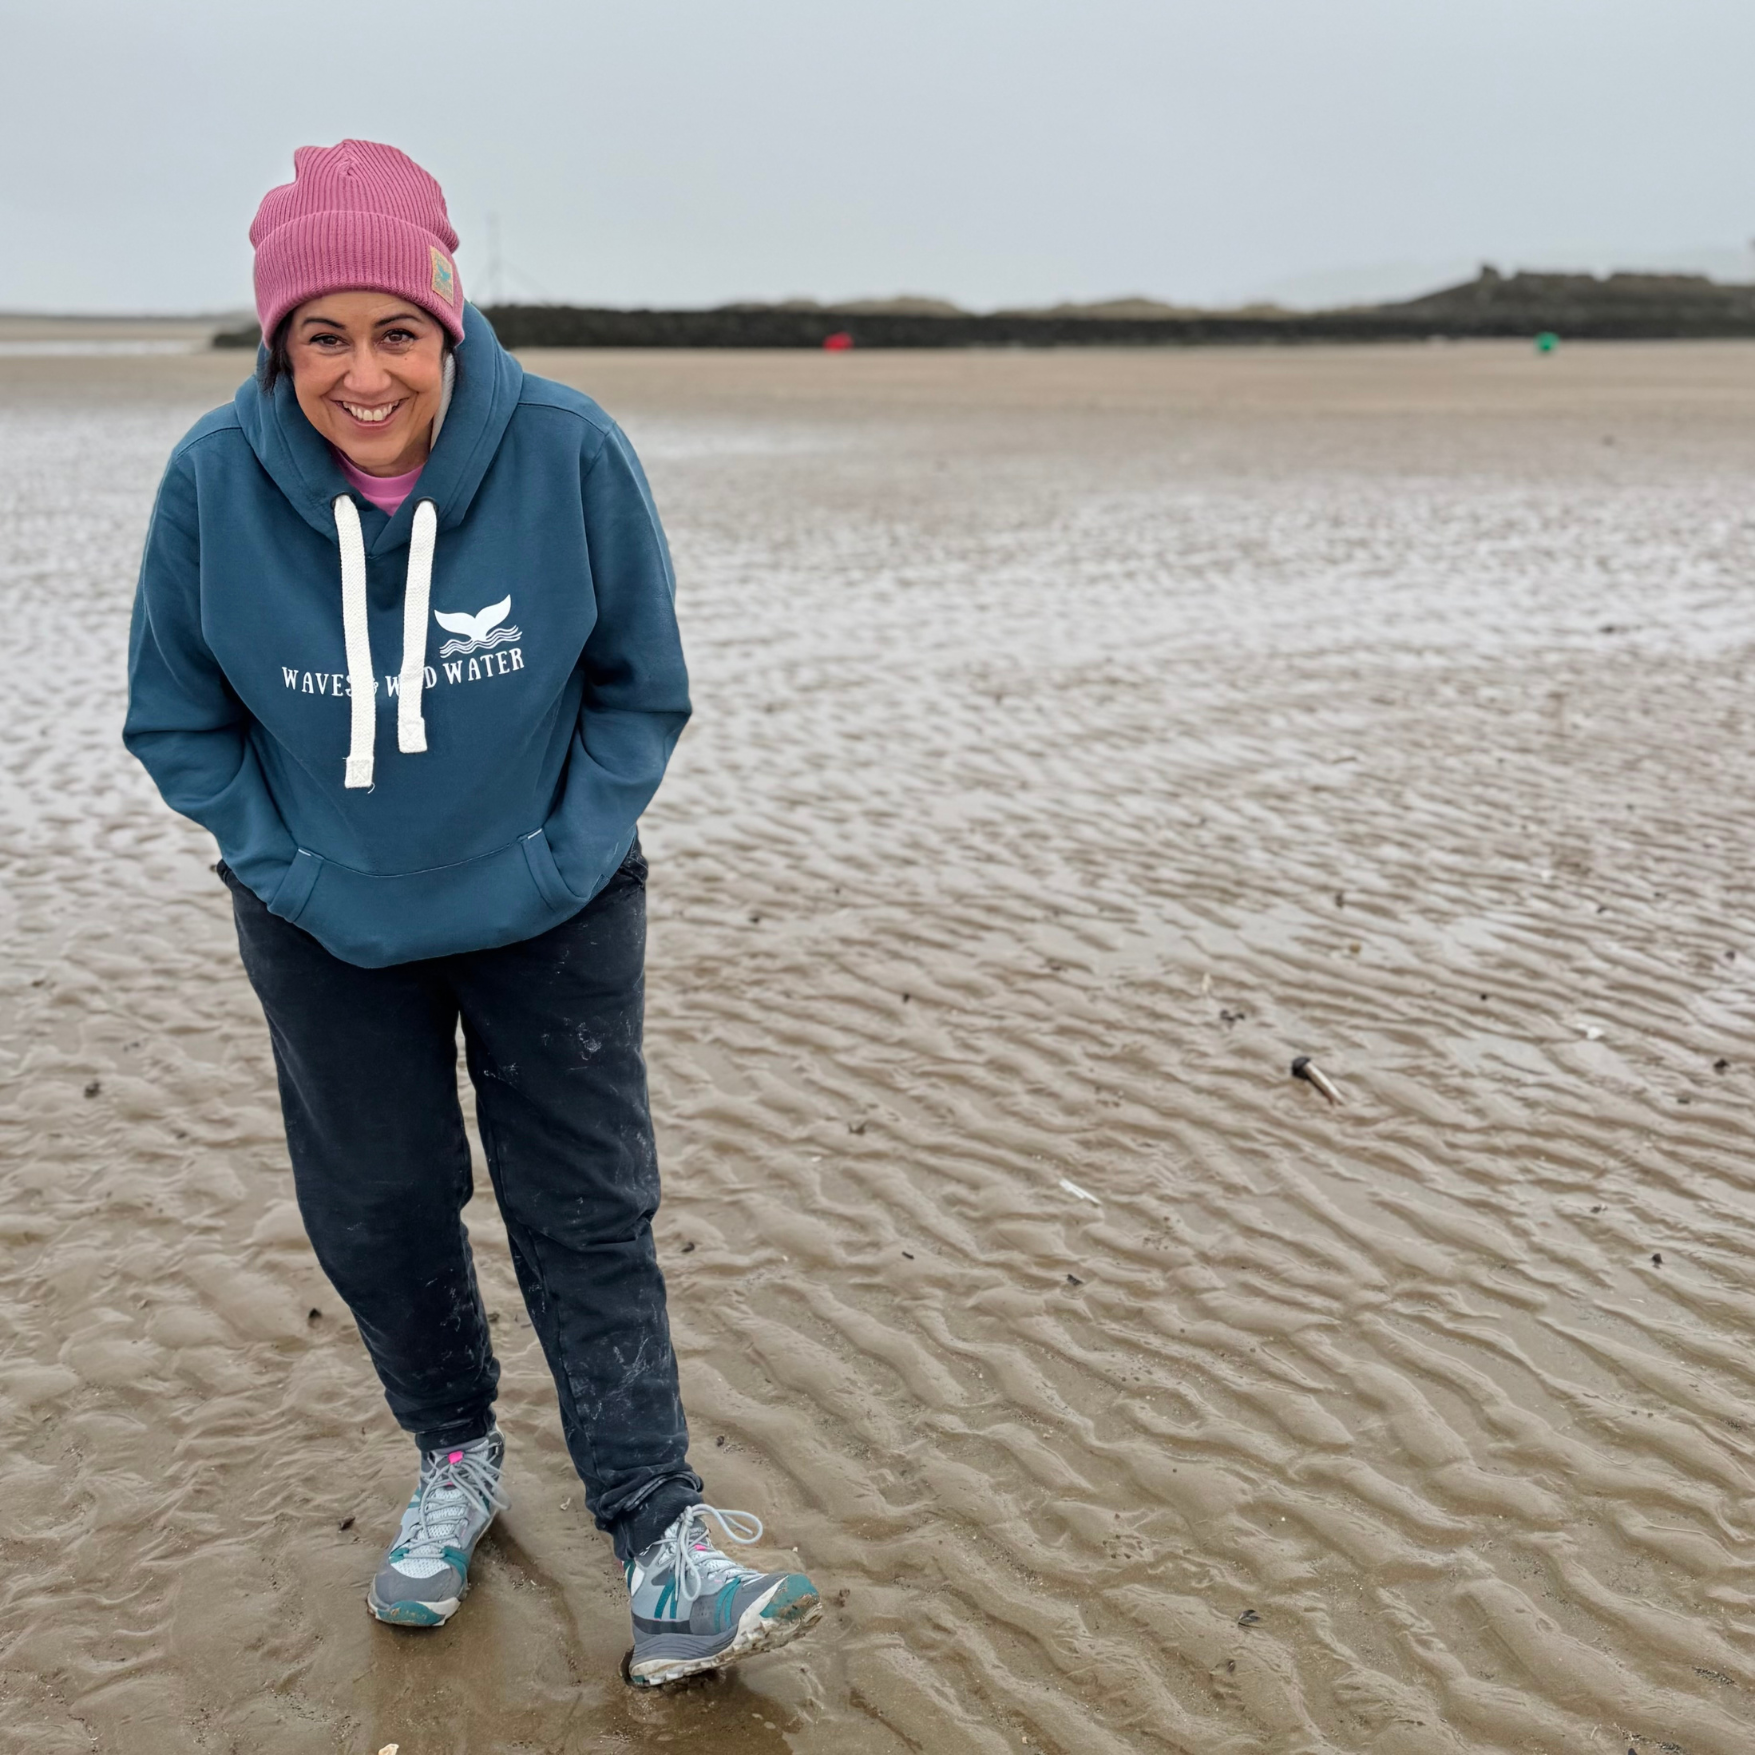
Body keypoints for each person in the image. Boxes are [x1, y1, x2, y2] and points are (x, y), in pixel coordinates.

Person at [123, 139, 820, 1687]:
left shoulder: (568, 452)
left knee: (587, 1209)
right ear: (277, 342)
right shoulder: (210, 487)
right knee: (377, 1208)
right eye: (324, 335)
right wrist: (287, 866)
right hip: (321, 921)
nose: (363, 376)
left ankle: (663, 1543)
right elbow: (174, 718)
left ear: (449, 322)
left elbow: (641, 686)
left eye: (394, 332)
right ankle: (455, 1455)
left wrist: (567, 855)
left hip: (553, 908)